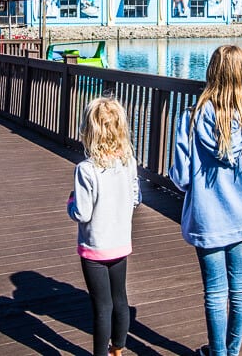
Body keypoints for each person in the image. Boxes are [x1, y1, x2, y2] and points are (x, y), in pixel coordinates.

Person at [169, 45, 242, 356]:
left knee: (215, 291)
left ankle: (217, 353)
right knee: (240, 287)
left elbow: (182, 177)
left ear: (211, 73)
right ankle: (232, 351)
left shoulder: (192, 117)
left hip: (208, 217)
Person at [67, 96, 141, 356]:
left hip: (95, 249)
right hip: (120, 244)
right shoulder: (128, 162)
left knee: (102, 306)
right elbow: (135, 198)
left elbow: (82, 213)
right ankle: (118, 349)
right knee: (120, 299)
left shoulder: (86, 170)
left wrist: (70, 203)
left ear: (89, 132)